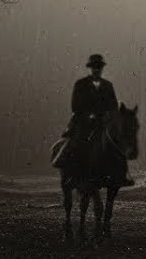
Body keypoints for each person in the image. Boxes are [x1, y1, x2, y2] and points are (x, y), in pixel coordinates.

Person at [56, 53, 133, 185]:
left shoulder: (108, 85)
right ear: (90, 68)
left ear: (102, 68)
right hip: (84, 122)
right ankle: (70, 172)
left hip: (103, 123)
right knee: (76, 142)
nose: (96, 69)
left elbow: (113, 105)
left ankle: (123, 174)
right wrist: (88, 115)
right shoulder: (80, 84)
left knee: (118, 143)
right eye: (94, 67)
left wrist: (110, 115)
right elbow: (75, 105)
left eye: (99, 67)